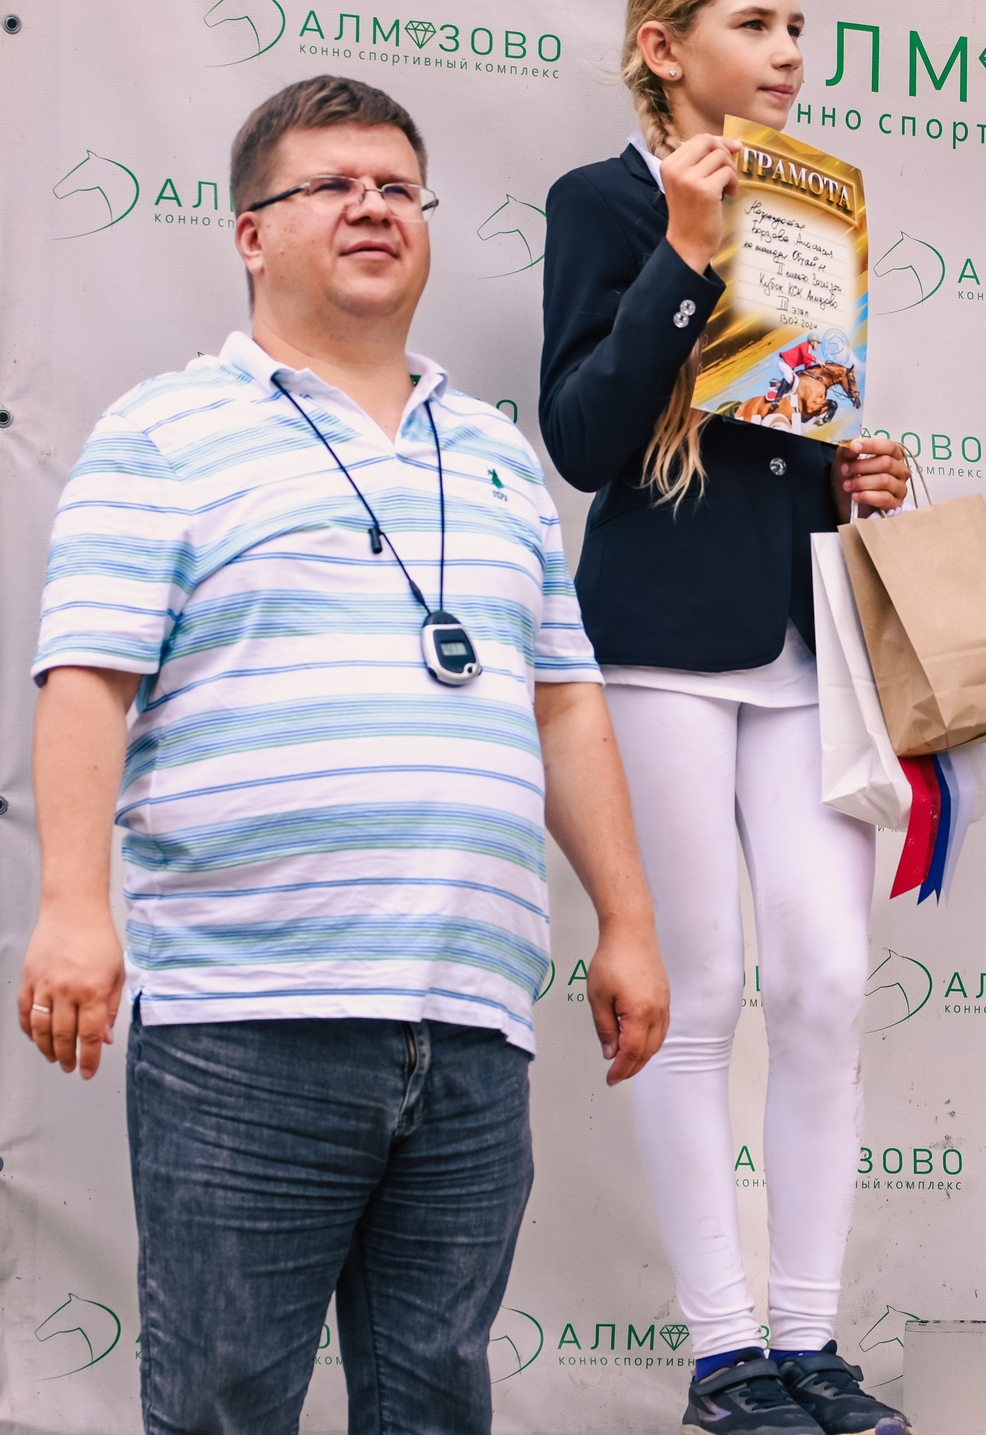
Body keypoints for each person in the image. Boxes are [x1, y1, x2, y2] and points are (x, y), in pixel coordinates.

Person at [20, 76, 670, 1435]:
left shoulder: (496, 455)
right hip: (249, 1016)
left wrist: (627, 919)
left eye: (397, 186)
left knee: (435, 1401)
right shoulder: (163, 432)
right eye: (331, 185)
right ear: (251, 234)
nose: (373, 207)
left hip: (470, 1026)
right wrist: (74, 905)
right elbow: (88, 678)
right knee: (223, 1405)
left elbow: (564, 704)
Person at [539, 0, 914, 1434]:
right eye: (754, 24)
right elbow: (584, 439)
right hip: (659, 646)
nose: (787, 54)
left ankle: (810, 1340)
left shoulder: (816, 200)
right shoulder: (604, 202)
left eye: (797, 26)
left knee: (824, 981)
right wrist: (686, 254)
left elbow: (782, 427)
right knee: (696, 992)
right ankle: (724, 1353)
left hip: (801, 636)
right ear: (663, 46)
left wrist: (852, 473)